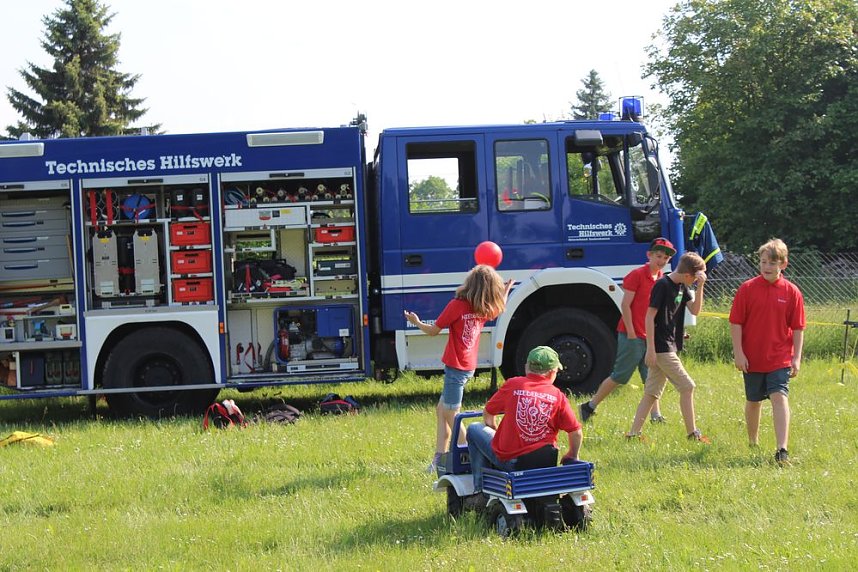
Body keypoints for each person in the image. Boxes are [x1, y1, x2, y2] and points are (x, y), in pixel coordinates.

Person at [405, 264, 513, 472]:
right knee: (441, 411)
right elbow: (501, 307)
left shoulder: (457, 305)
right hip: (467, 367)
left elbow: (434, 331)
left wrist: (416, 322)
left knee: (451, 414)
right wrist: (506, 290)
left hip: (456, 368)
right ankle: (440, 458)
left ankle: (473, 455)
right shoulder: (484, 308)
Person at [579, 237, 676, 423]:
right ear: (649, 255)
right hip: (632, 335)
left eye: (666, 258)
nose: (662, 261)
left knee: (651, 377)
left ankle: (656, 416)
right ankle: (589, 406)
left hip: (649, 337)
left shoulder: (662, 279)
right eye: (658, 256)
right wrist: (631, 332)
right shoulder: (636, 275)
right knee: (620, 376)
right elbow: (625, 305)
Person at [729, 238, 805, 465]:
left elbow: (798, 327)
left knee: (779, 397)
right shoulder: (747, 289)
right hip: (751, 358)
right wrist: (738, 353)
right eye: (763, 262)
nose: (767, 267)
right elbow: (735, 323)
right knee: (753, 401)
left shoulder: (792, 292)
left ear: (783, 264)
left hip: (780, 357)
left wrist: (796, 358)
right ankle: (753, 442)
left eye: (772, 262)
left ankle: (782, 449)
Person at [466, 346, 583, 493]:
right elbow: (576, 432)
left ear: (527, 367)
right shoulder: (558, 396)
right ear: (553, 372)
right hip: (544, 463)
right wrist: (572, 453)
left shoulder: (513, 384)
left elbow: (488, 414)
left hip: (511, 462)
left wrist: (495, 431)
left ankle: (479, 490)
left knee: (473, 428)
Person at [625, 252, 710, 442]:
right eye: (696, 278)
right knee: (687, 386)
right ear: (688, 275)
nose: (696, 281)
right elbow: (649, 317)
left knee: (651, 393)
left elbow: (695, 310)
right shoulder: (662, 285)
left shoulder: (682, 286)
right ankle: (692, 433)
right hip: (661, 348)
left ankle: (632, 434)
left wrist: (701, 286)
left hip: (669, 345)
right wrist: (651, 349)